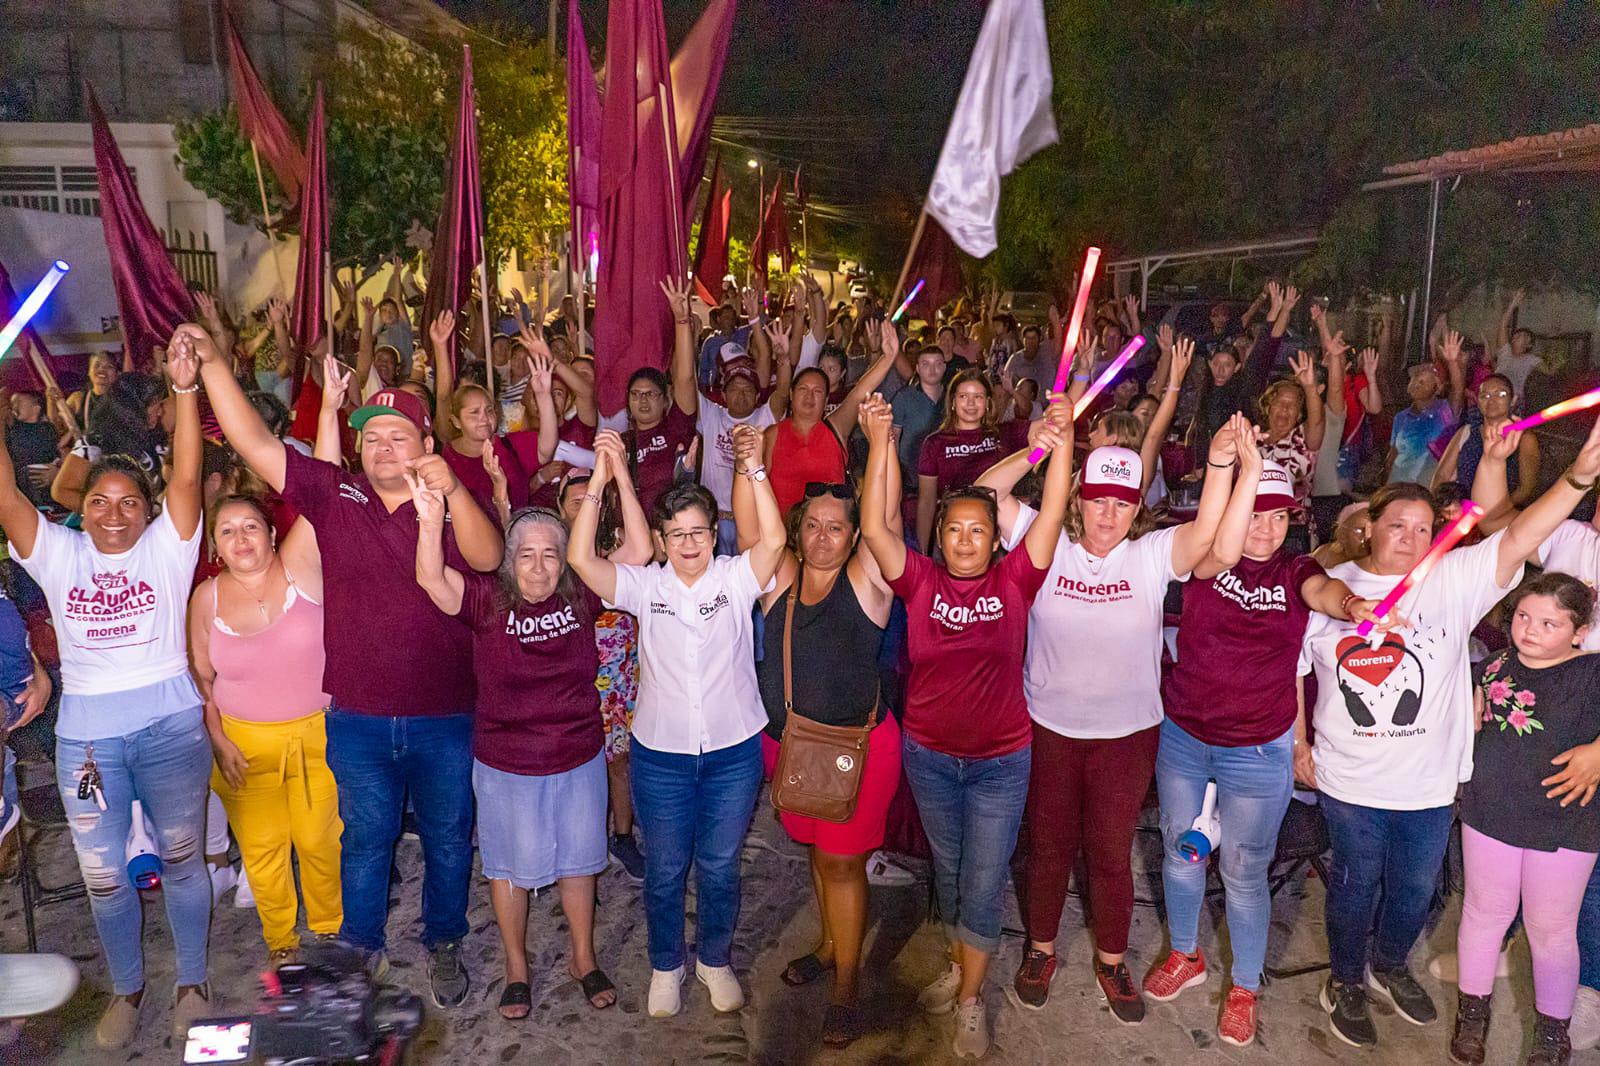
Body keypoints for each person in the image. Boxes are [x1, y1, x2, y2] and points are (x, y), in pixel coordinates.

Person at [195, 321, 503, 1008]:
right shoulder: (339, 497)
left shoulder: (454, 505)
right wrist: (216, 360)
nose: (381, 445)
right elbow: (254, 442)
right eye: (370, 435)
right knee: (365, 837)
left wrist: (450, 492)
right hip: (359, 715)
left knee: (450, 838)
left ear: (427, 444)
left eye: (397, 435)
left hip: (445, 713)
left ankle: (444, 939)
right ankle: (362, 946)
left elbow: (488, 560)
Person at [1298, 414, 1600, 1050]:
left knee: (1413, 892)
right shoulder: (1329, 589)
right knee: (1355, 884)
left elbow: (1519, 537)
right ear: (1367, 528)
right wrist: (1298, 744)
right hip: (1350, 778)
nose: (1410, 538)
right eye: (1396, 525)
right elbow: (1289, 675)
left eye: (1423, 529)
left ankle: (1387, 965)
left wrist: (1577, 479)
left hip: (1431, 784)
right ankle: (1346, 979)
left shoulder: (1451, 581)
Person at [974, 411, 1236, 1025]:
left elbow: (1205, 535)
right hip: (1048, 728)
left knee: (1110, 851)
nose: (1109, 515)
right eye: (1097, 500)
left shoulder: (1148, 555)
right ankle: (1041, 951)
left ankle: (1112, 960)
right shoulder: (1046, 541)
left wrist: (1220, 463)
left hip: (1125, 737)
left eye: (1123, 502)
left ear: (1136, 507)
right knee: (1049, 848)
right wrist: (1038, 452)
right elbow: (984, 497)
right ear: (1077, 500)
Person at [0, 326, 207, 1049]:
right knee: (104, 876)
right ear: (79, 508)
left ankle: (192, 980)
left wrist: (183, 389)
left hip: (172, 728)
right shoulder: (58, 554)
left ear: (147, 513)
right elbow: (6, 497)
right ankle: (128, 988)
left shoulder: (168, 547)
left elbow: (185, 475)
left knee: (182, 859)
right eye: (100, 502)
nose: (114, 513)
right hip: (87, 743)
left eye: (128, 502)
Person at [859, 389, 1075, 1059]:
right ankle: (962, 964)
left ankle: (973, 1000)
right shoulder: (919, 582)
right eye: (953, 529)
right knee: (951, 875)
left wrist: (1058, 445)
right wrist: (876, 446)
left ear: (995, 536)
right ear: (941, 534)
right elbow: (874, 531)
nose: (964, 540)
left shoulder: (1016, 582)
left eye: (978, 529)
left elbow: (1053, 513)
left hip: (1000, 763)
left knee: (981, 882)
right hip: (931, 758)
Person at [411, 430, 649, 1021]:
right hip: (506, 761)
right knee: (509, 867)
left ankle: (582, 956)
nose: (539, 565)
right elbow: (432, 580)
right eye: (526, 554)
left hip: (577, 754)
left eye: (550, 552)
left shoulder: (581, 592)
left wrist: (612, 474)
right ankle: (517, 966)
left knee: (579, 860)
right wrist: (427, 521)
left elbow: (640, 552)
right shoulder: (488, 599)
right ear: (510, 561)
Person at [1151, 451, 1383, 1046]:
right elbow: (1207, 556)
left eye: (1278, 517)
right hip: (1185, 736)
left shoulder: (1294, 570)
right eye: (1255, 514)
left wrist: (1353, 606)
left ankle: (1245, 986)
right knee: (1181, 853)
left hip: (1256, 749)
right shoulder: (1205, 558)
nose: (1265, 528)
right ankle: (1186, 954)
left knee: (1245, 871)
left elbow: (1324, 588)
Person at [567, 423, 786, 1020]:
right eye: (677, 534)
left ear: (714, 535)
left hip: (733, 753)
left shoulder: (737, 579)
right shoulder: (642, 586)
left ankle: (714, 959)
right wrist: (604, 480)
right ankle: (667, 964)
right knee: (665, 869)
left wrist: (756, 467)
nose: (689, 543)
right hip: (660, 754)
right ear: (661, 540)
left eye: (699, 531)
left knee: (719, 865)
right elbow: (580, 558)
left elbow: (775, 536)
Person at [743, 451, 900, 1049]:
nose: (823, 536)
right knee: (814, 849)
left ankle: (847, 986)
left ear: (855, 535)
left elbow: (884, 517)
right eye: (812, 524)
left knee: (842, 862)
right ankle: (832, 945)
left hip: (854, 752)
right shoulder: (779, 576)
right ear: (797, 527)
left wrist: (881, 442)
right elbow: (752, 524)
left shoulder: (866, 581)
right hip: (786, 746)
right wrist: (750, 465)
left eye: (837, 526)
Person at [187, 384, 342, 967]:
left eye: (250, 527)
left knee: (322, 840)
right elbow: (202, 679)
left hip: (319, 733)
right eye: (227, 532)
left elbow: (324, 489)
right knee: (264, 849)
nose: (241, 539)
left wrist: (326, 411)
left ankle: (329, 929)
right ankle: (281, 942)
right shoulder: (205, 599)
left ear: (273, 533)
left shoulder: (301, 566)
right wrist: (219, 739)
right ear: (216, 546)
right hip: (244, 744)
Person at [1448, 573, 1600, 1066]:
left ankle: (1553, 1034)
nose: (1531, 630)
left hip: (1568, 820)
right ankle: (1472, 1012)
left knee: (1552, 927)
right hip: (1491, 806)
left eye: (1551, 623)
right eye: (1523, 617)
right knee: (1482, 913)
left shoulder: (1594, 672)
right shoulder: (1491, 667)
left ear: (1578, 631)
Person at [557, 466, 646, 881]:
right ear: (559, 507)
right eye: (574, 498)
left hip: (621, 674)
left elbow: (641, 555)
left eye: (589, 495)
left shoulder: (615, 543)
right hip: (571, 677)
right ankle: (581, 843)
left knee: (620, 760)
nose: (583, 503)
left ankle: (623, 837)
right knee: (577, 765)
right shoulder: (552, 553)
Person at [764, 321, 897, 516]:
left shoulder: (835, 429)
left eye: (817, 391)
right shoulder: (773, 434)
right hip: (783, 538)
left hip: (830, 533)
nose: (810, 397)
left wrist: (888, 357)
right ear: (792, 394)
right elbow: (758, 487)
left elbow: (859, 392)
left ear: (826, 399)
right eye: (803, 389)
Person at [916, 369, 1012, 551]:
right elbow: (926, 501)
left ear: (987, 402)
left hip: (996, 534)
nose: (970, 403)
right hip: (953, 533)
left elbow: (1048, 430)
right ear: (953, 402)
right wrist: (923, 551)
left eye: (978, 397)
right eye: (963, 396)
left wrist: (1081, 376)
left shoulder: (1002, 435)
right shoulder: (935, 443)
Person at [1434, 373, 1540, 507]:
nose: (1492, 400)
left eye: (1501, 394)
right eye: (1485, 395)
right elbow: (1442, 476)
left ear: (1513, 400)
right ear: (1478, 401)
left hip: (1502, 517)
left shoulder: (1523, 438)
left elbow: (1526, 488)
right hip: (1460, 514)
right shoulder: (1466, 432)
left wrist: (1492, 515)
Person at [1385, 329, 1466, 485]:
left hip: (1427, 488)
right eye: (1415, 380)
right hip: (1397, 484)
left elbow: (1457, 389)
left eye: (1423, 382)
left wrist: (1452, 362)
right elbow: (1393, 455)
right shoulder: (1401, 417)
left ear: (1437, 389)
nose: (1416, 384)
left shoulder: (1443, 413)